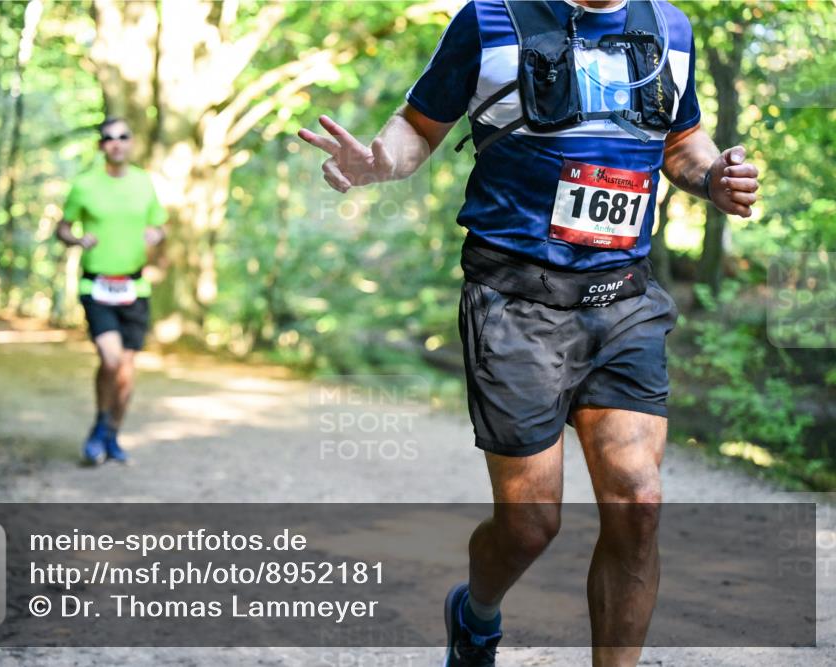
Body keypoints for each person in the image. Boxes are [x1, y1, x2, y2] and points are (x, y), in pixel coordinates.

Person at [298, 1, 760, 665]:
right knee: (530, 523)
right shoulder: (491, 19)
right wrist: (384, 162)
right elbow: (418, 126)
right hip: (515, 300)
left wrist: (714, 176)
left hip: (622, 296)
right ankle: (477, 612)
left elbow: (681, 143)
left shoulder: (670, 26)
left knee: (639, 501)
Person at [56, 117, 168, 465]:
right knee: (110, 359)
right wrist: (77, 238)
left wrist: (157, 237)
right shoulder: (85, 185)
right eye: (108, 138)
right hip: (97, 284)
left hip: (134, 286)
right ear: (101, 146)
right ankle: (99, 425)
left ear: (131, 142)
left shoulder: (144, 183)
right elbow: (62, 228)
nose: (116, 143)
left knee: (126, 370)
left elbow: (160, 226)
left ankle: (112, 435)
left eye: (123, 136)